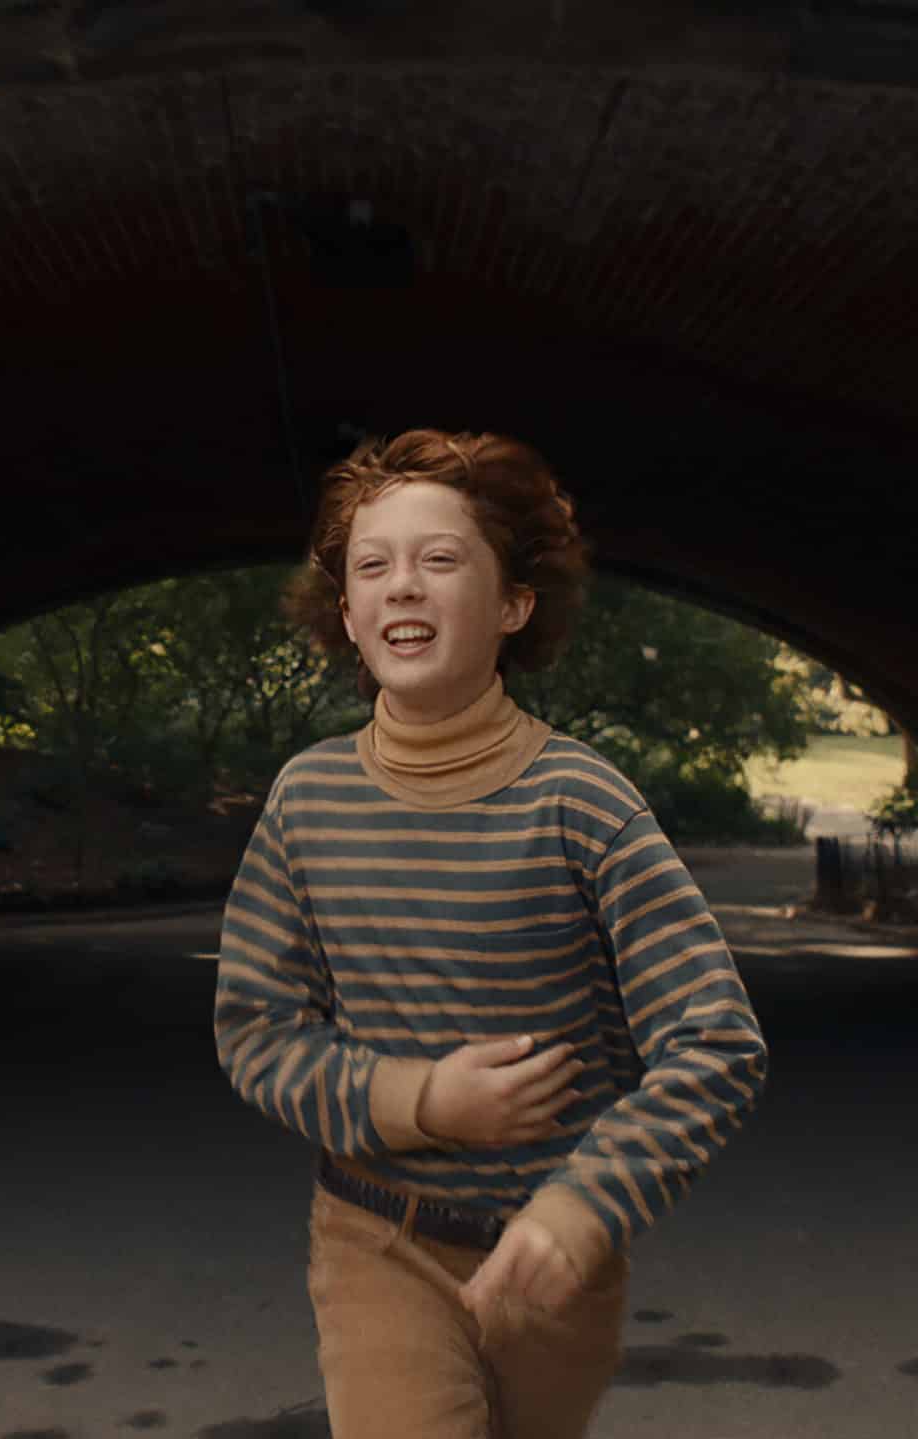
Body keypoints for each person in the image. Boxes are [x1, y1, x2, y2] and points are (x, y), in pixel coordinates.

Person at [213, 429, 769, 1439]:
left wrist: (584, 1208)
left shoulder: (583, 802)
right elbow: (254, 1029)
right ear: (344, 611)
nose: (402, 587)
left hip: (553, 1263)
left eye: (440, 558)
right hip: (374, 1236)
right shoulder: (305, 799)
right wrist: (420, 1097)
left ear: (514, 602)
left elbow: (715, 1042)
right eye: (371, 566)